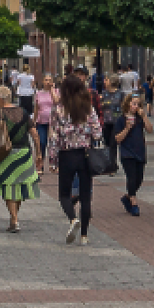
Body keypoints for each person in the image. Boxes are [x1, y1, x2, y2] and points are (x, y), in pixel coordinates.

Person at [49, 74, 103, 246]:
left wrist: (52, 160)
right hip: (85, 155)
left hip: (66, 154)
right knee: (86, 196)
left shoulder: (58, 109)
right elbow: (97, 134)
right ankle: (85, 236)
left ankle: (73, 219)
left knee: (64, 194)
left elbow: (54, 137)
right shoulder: (88, 109)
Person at [0, 85, 41, 231]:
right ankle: (14, 217)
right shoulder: (23, 111)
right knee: (19, 186)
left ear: (0, 99)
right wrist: (39, 153)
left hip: (6, 153)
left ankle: (14, 219)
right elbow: (35, 134)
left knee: (8, 186)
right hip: (24, 152)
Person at [114, 93, 152, 216]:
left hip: (139, 151)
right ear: (128, 104)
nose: (135, 106)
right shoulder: (121, 119)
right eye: (133, 103)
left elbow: (150, 129)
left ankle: (127, 197)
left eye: (138, 104)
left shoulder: (140, 119)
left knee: (139, 179)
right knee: (131, 177)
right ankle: (134, 203)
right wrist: (127, 128)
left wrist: (144, 116)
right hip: (127, 153)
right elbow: (117, 139)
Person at [34, 74, 58, 159]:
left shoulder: (56, 92)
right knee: (42, 142)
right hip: (41, 121)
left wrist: (52, 90)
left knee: (54, 144)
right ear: (43, 81)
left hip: (54, 121)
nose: (48, 82)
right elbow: (36, 108)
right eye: (46, 80)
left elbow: (56, 102)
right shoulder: (38, 93)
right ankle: (41, 162)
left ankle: (54, 164)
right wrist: (34, 120)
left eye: (49, 80)